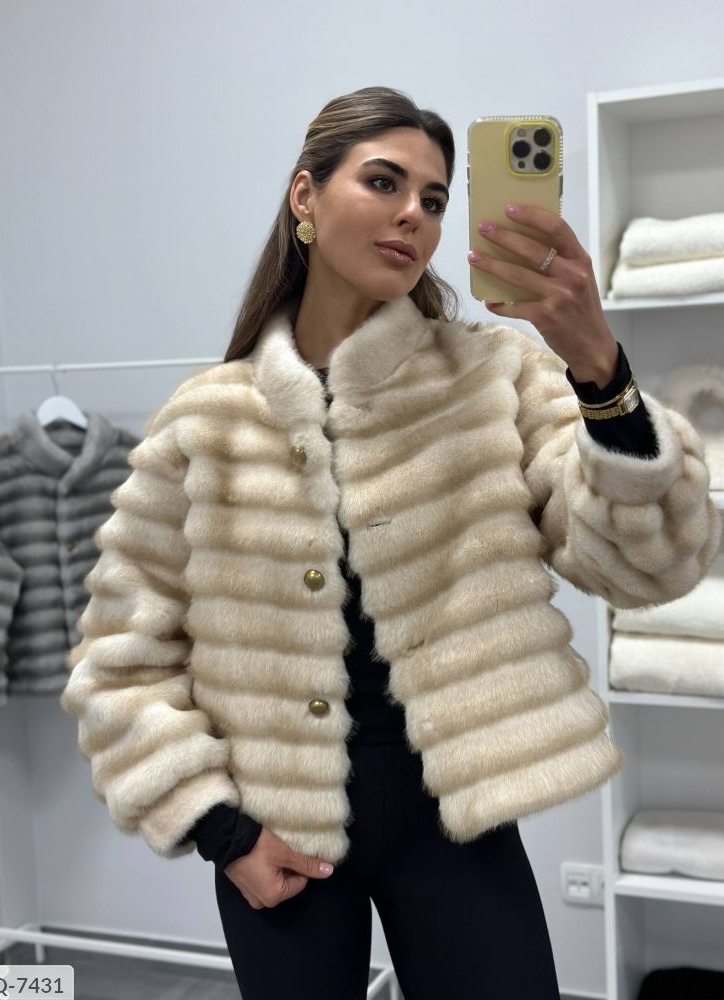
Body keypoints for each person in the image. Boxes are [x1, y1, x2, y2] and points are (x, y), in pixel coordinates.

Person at [60, 86, 721, 1000]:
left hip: (456, 821)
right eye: (385, 182)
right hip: (277, 831)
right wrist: (223, 832)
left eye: (436, 199)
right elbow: (119, 661)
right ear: (305, 196)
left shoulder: (493, 376)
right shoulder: (205, 422)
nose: (415, 213)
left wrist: (600, 368)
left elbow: (652, 563)